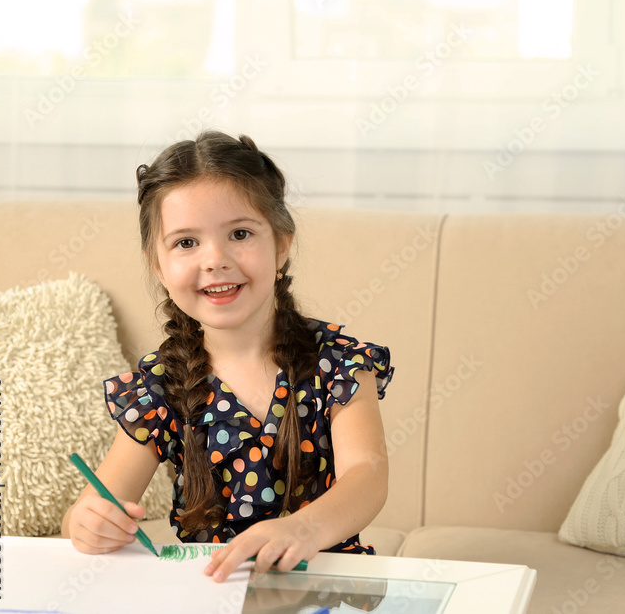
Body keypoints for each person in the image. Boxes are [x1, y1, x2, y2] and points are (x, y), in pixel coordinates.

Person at [61, 130, 392, 583]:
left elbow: (368, 476)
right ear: (158, 265)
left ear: (281, 245)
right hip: (213, 591)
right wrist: (86, 523)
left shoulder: (338, 364)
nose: (214, 259)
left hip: (326, 587)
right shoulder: (160, 387)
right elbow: (91, 508)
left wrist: (302, 529)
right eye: (186, 243)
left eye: (240, 234)